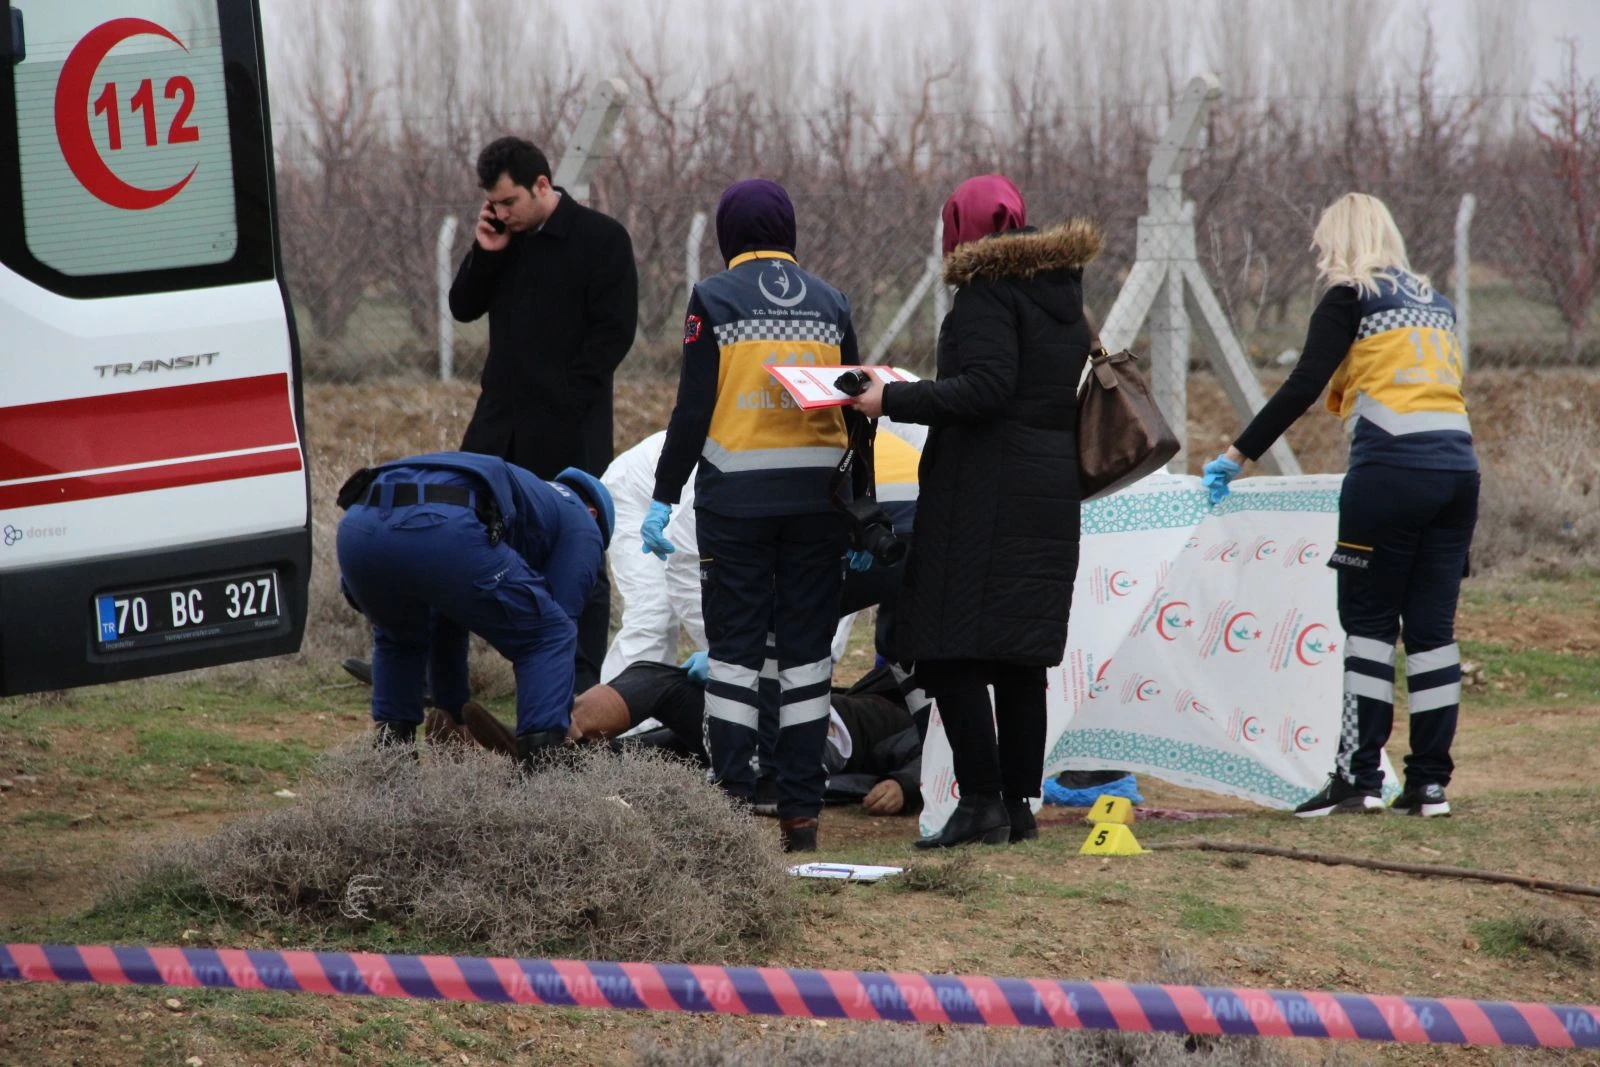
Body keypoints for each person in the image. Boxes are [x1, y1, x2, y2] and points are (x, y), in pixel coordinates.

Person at [1202, 193, 1477, 820]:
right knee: (1434, 635)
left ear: (1339, 243)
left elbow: (1303, 385)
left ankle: (1358, 779)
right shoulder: (1437, 304)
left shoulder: (1350, 296)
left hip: (1388, 476)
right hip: (1459, 472)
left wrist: (1238, 454)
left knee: (1370, 628)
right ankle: (1430, 786)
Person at [852, 175, 1101, 849]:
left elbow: (988, 388)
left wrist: (892, 400)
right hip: (1047, 492)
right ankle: (1019, 807)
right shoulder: (1063, 295)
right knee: (1021, 659)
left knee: (949, 650)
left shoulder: (988, 289)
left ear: (962, 227)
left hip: (986, 496)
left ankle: (982, 803)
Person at [644, 178, 870, 853]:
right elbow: (859, 409)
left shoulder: (713, 299)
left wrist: (664, 492)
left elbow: (692, 410)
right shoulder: (833, 303)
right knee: (806, 661)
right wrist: (861, 511)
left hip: (736, 510)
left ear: (727, 234)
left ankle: (730, 813)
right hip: (818, 507)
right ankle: (801, 817)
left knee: (738, 660)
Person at [448, 136, 638, 695]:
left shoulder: (601, 240)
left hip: (569, 432)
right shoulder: (505, 240)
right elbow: (463, 306)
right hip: (497, 426)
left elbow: (614, 334)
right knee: (461, 535)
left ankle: (580, 684)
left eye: (508, 203)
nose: (500, 213)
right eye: (492, 205)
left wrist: (565, 400)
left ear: (541, 185)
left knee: (577, 548)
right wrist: (487, 249)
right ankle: (450, 672)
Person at [335, 452, 614, 771]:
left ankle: (394, 765)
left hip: (359, 528)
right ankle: (545, 772)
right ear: (594, 514)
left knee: (400, 638)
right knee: (549, 636)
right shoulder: (582, 521)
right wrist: (561, 717)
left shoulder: (530, 493)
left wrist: (453, 710)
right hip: (440, 526)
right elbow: (558, 622)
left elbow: (451, 618)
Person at [569, 662, 925, 817]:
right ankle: (562, 757)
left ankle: (562, 732)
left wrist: (905, 786)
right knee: (657, 752)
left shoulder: (938, 714)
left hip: (806, 737)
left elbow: (946, 752)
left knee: (663, 683)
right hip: (791, 715)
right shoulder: (909, 681)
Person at [598, 432, 704, 682]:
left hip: (677, 500)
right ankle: (627, 718)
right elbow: (684, 571)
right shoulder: (715, 481)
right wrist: (723, 651)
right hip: (634, 495)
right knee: (654, 612)